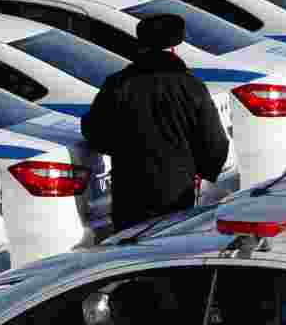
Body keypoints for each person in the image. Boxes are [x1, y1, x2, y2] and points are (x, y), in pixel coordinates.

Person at [81, 13, 230, 232]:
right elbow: (215, 142)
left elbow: (95, 131)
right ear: (174, 48)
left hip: (130, 189)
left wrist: (125, 149)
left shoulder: (118, 84)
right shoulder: (191, 86)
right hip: (178, 190)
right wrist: (205, 171)